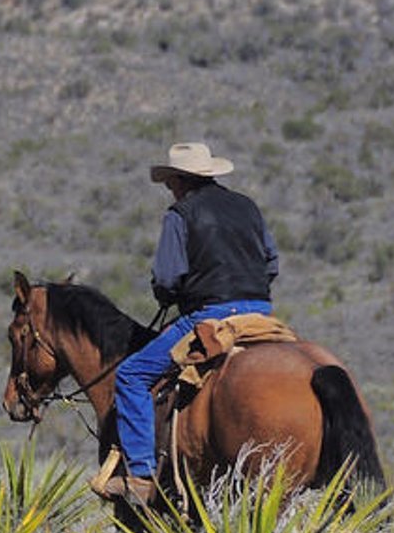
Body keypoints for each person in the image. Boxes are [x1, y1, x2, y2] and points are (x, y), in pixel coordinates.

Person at [102, 142, 279, 504]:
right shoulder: (247, 206)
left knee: (132, 376)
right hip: (260, 314)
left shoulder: (180, 215)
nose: (170, 189)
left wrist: (167, 295)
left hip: (210, 316)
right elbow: (271, 263)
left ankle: (140, 475)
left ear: (182, 180)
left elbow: (168, 278)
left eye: (171, 182)